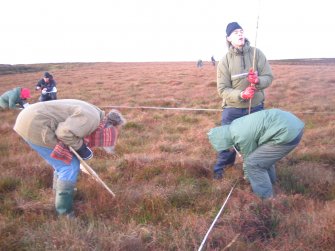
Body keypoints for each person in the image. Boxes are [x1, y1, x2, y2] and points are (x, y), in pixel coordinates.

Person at [13, 99, 126, 217]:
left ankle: (60, 196)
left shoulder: (97, 114)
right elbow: (64, 133)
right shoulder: (91, 119)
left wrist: (81, 148)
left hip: (30, 117)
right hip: (35, 125)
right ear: (107, 127)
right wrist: (81, 148)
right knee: (69, 166)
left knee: (63, 163)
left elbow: (70, 130)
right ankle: (65, 213)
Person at [213, 21, 273, 179]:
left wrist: (258, 80)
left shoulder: (257, 54)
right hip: (232, 110)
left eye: (241, 31)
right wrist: (241, 95)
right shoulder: (224, 61)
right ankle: (222, 173)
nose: (239, 34)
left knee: (258, 142)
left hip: (255, 108)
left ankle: (259, 172)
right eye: (235, 33)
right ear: (228, 39)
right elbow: (223, 89)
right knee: (227, 143)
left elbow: (269, 77)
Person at [207, 108, 304, 199]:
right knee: (261, 158)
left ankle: (265, 199)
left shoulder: (241, 137)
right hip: (291, 124)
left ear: (223, 140)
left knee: (254, 164)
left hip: (287, 133)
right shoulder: (235, 125)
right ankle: (272, 183)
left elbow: (248, 158)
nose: (229, 149)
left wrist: (248, 178)